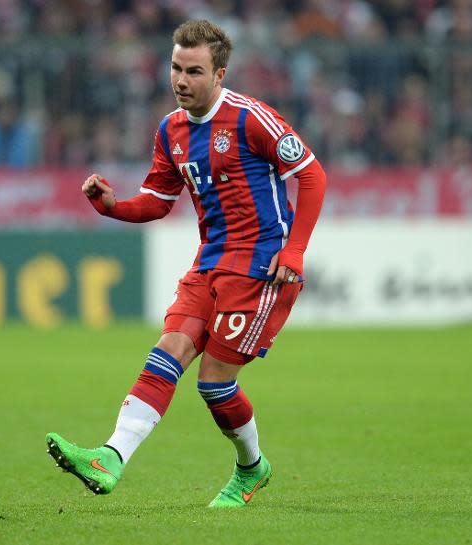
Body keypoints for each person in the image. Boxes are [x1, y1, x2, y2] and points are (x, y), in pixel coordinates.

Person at [46, 19, 326, 508]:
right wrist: (112, 205)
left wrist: (295, 250)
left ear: (219, 74)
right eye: (175, 67)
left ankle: (251, 468)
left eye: (194, 71)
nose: (180, 80)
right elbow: (156, 201)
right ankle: (110, 457)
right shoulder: (171, 129)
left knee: (214, 385)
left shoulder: (250, 118)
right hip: (209, 262)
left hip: (261, 269)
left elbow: (313, 176)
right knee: (167, 351)